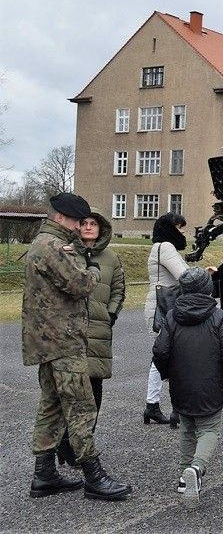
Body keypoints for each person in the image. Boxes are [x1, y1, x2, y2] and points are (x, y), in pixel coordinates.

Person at [22, 192, 131, 500]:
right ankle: (94, 476)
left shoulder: (42, 243)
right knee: (81, 406)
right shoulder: (54, 247)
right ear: (60, 218)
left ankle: (44, 474)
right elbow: (82, 285)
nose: (77, 226)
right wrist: (91, 266)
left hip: (47, 342)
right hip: (63, 341)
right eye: (74, 221)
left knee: (52, 406)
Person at [152, 267, 223, 507]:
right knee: (209, 430)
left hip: (180, 384)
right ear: (208, 289)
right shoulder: (218, 317)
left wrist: (166, 373)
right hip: (210, 386)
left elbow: (160, 350)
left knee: (187, 428)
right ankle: (196, 469)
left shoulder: (172, 316)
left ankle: (184, 478)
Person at [55, 208, 126, 468]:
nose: (87, 227)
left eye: (92, 223)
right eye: (83, 223)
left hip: (99, 331)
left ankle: (83, 444)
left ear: (100, 228)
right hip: (70, 332)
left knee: (94, 390)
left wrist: (110, 314)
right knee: (69, 390)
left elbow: (119, 288)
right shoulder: (66, 252)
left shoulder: (111, 257)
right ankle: (64, 443)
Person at [144, 212, 189, 427]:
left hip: (161, 308)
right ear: (170, 229)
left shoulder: (159, 247)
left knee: (161, 358)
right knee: (174, 358)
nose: (183, 232)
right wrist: (204, 274)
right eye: (180, 228)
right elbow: (184, 276)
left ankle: (152, 406)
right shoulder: (166, 248)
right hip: (165, 310)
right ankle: (177, 410)